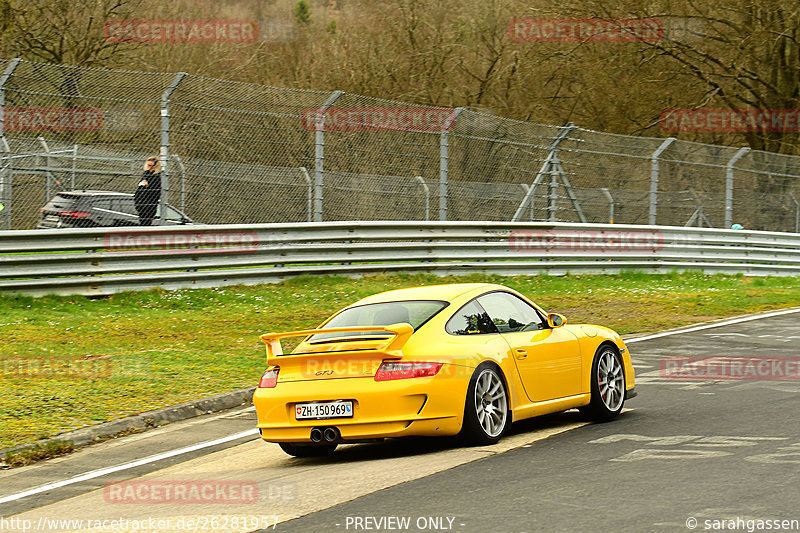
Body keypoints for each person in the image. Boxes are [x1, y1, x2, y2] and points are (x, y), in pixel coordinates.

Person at [134, 156, 161, 226]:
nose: (150, 168)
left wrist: (145, 186)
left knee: (146, 222)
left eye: (152, 166)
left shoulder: (157, 176)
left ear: (156, 166)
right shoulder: (146, 174)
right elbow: (140, 188)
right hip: (141, 202)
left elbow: (155, 191)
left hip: (150, 203)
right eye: (149, 165)